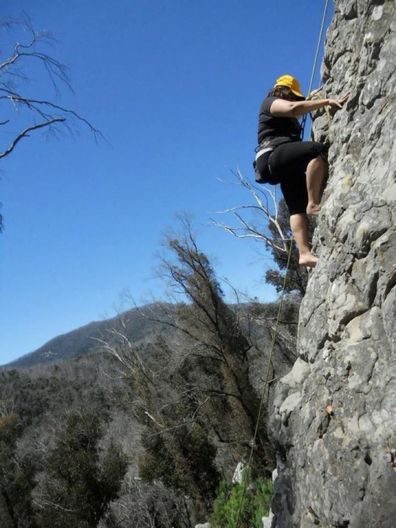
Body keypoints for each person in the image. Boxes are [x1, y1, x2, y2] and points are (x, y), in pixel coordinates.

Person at [254, 74, 349, 267]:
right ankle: (314, 204)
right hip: (273, 155)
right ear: (285, 91)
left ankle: (304, 254)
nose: (296, 100)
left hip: (282, 164)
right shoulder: (270, 102)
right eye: (294, 95)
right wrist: (326, 100)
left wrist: (313, 96)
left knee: (296, 207)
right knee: (317, 151)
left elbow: (300, 104)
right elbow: (293, 108)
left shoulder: (290, 112)